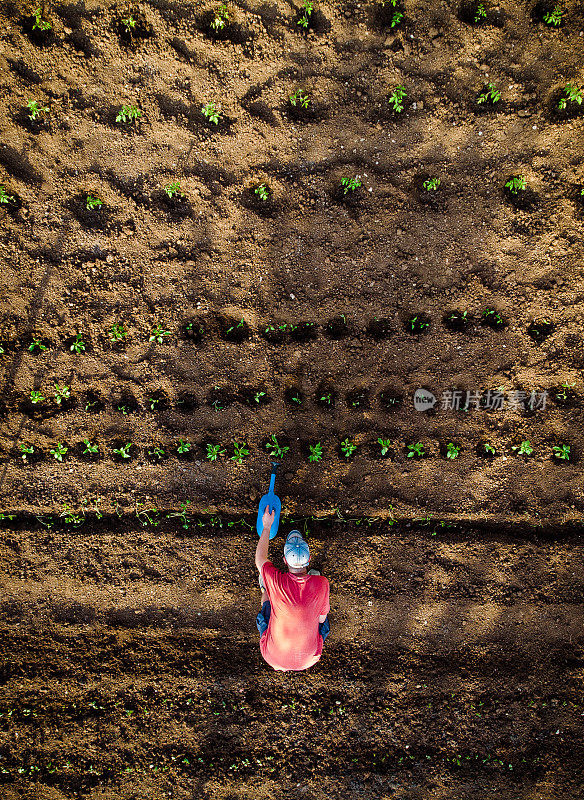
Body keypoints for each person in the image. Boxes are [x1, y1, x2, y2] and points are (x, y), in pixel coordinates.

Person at [255, 505, 330, 671]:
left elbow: (260, 559)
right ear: (309, 558)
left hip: (272, 656)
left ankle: (264, 589)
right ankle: (308, 580)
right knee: (321, 620)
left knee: (268, 595)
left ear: (284, 560)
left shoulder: (276, 581)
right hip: (309, 659)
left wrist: (267, 526)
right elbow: (321, 620)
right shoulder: (322, 583)